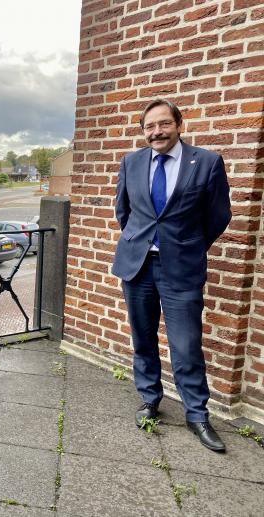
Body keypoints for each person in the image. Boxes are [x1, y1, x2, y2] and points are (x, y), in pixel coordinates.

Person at [112, 98, 231, 452]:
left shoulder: (206, 162)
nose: (156, 132)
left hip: (181, 268)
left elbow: (218, 215)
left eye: (163, 124)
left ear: (179, 124)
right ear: (143, 131)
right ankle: (150, 399)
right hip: (138, 266)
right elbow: (125, 211)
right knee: (143, 338)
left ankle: (197, 415)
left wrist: (187, 245)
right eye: (149, 126)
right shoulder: (131, 162)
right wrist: (143, 240)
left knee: (186, 345)